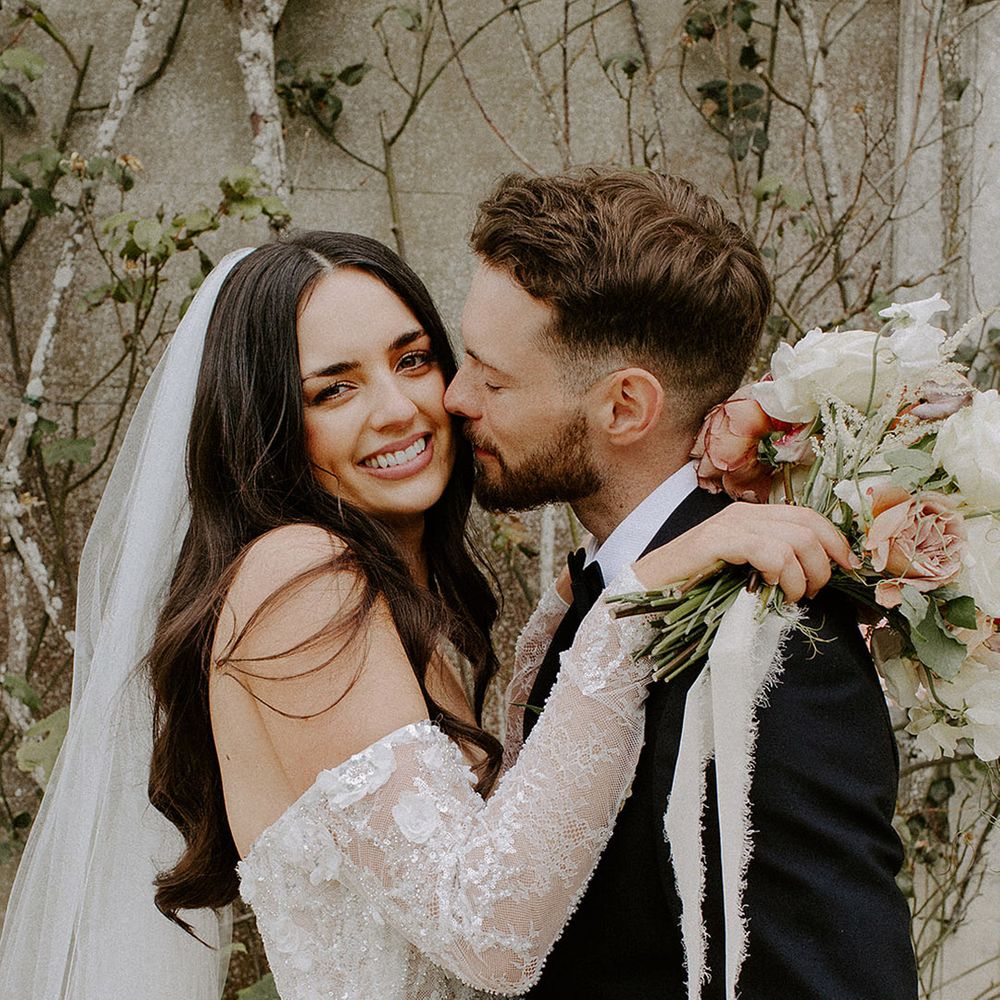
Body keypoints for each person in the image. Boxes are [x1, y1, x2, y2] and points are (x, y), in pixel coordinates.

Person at [0, 230, 849, 1000]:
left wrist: (557, 632)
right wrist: (632, 606)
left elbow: (501, 854)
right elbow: (485, 934)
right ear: (269, 426)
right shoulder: (303, 580)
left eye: (412, 360)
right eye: (334, 389)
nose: (400, 408)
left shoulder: (394, 611)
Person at [444, 169, 920, 1000]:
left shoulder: (772, 643)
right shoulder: (597, 594)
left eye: (492, 379)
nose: (455, 398)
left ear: (625, 407)